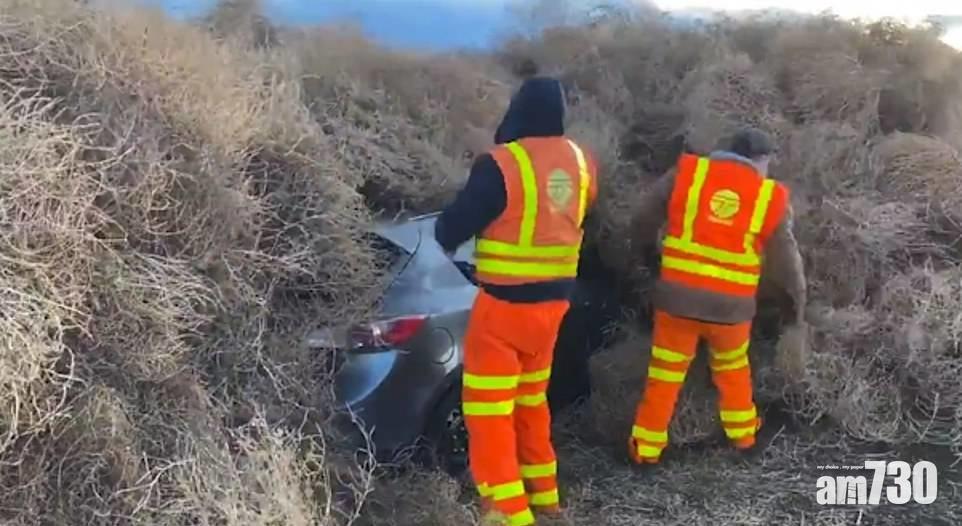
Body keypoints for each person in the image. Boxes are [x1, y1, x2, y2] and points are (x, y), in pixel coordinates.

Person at [434, 76, 599, 525]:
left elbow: (453, 228)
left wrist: (450, 233)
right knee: (531, 403)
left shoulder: (502, 164)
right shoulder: (581, 162)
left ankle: (508, 514)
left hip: (503, 309)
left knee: (488, 414)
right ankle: (546, 500)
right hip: (553, 309)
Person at [626, 127, 806, 466]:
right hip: (731, 310)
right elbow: (786, 263)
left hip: (676, 301)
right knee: (733, 369)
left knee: (664, 374)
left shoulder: (689, 172)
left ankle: (645, 449)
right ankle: (745, 438)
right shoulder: (771, 196)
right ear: (760, 160)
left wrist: (649, 259)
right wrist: (794, 307)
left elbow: (642, 218)